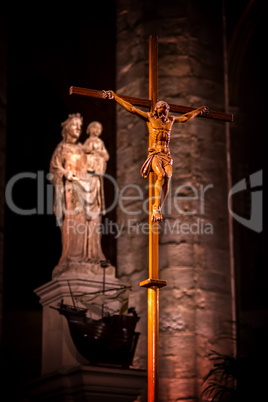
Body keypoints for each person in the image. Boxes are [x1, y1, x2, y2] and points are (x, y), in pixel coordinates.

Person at [103, 90, 208, 221]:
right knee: (161, 175)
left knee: (168, 176)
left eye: (166, 111)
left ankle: (159, 207)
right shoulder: (150, 118)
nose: (164, 114)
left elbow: (186, 117)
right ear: (157, 111)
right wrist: (115, 97)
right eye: (161, 111)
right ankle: (155, 208)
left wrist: (198, 111)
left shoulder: (171, 120)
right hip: (155, 155)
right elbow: (132, 109)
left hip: (167, 156)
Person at [49, 114, 109, 277]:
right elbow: (55, 168)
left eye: (79, 126)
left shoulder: (83, 148)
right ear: (66, 128)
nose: (77, 129)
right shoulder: (62, 148)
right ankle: (72, 256)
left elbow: (94, 164)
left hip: (87, 188)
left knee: (92, 220)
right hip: (72, 190)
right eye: (74, 125)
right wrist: (67, 174)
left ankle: (91, 256)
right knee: (75, 221)